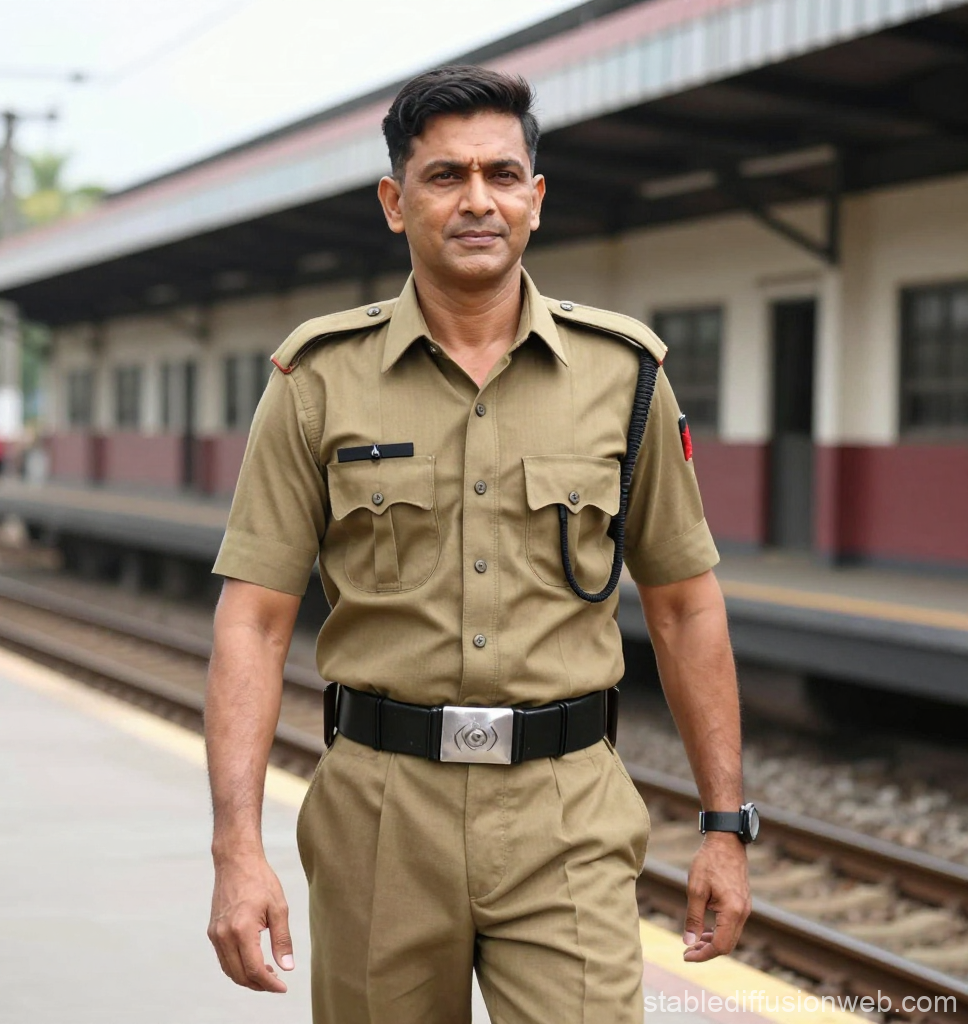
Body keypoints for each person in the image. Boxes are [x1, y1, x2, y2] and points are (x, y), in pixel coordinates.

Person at [205, 66, 752, 1024]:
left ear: (535, 201)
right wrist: (236, 850)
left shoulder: (624, 376)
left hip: (568, 813)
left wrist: (725, 827)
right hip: (380, 812)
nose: (477, 201)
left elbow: (684, 603)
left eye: (502, 175)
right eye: (445, 176)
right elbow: (253, 621)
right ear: (394, 201)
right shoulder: (316, 380)